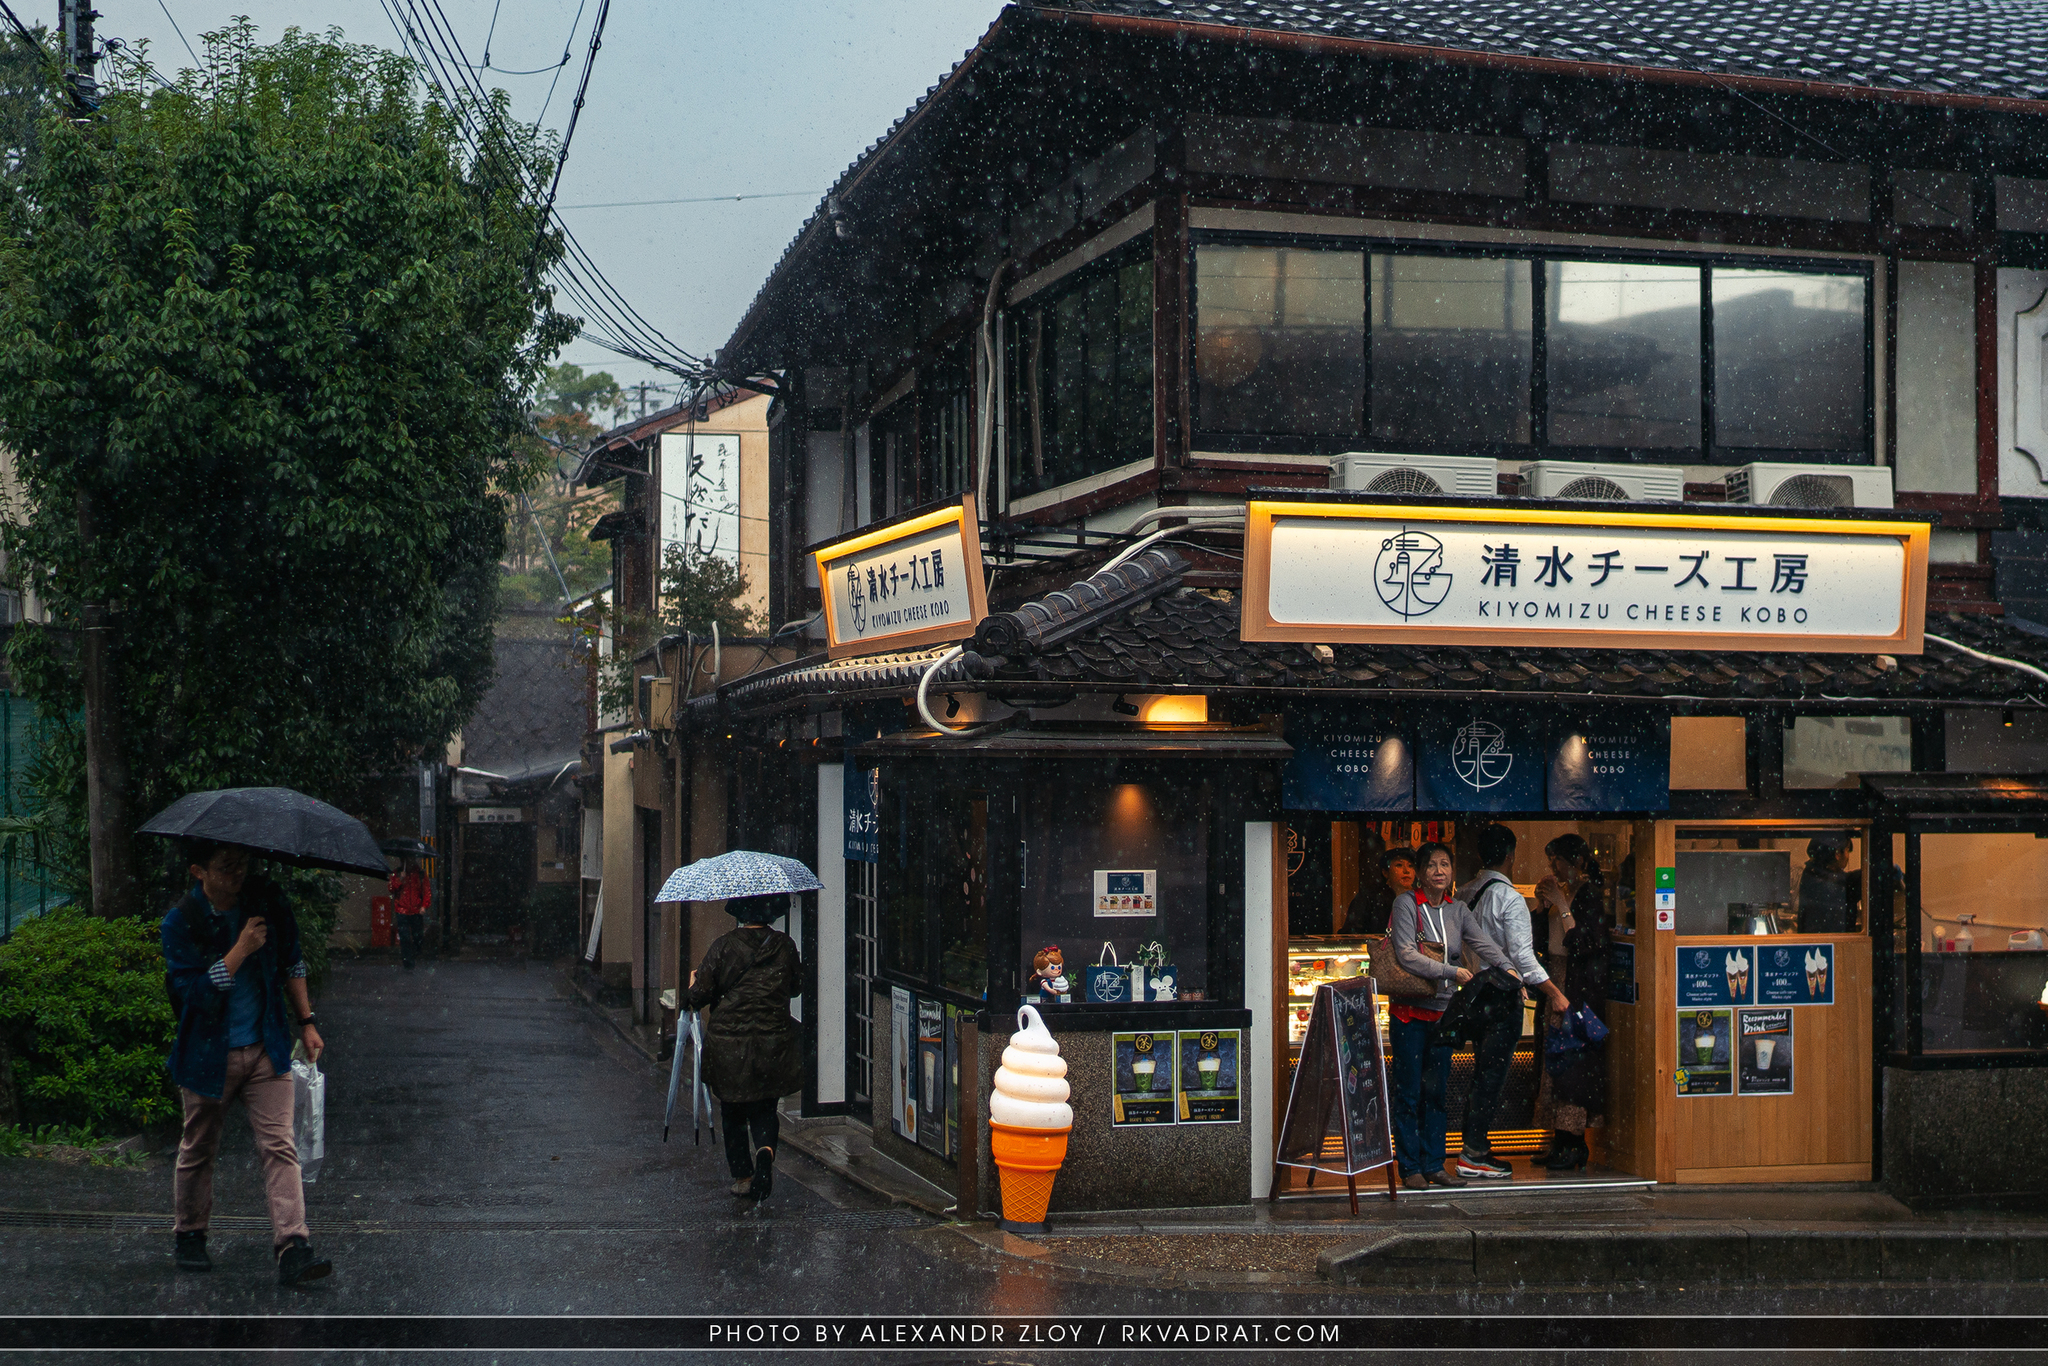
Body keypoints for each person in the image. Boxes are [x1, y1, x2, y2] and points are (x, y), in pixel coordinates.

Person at [159, 841, 333, 1285]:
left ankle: (293, 1245)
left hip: (264, 1046)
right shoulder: (182, 922)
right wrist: (239, 950)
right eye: (226, 866)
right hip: (206, 1053)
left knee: (280, 1145)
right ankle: (191, 1233)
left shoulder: (266, 901)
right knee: (198, 1147)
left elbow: (292, 961)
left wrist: (306, 1021)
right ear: (200, 871)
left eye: (243, 864)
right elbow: (191, 995)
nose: (238, 873)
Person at [1388, 841, 1512, 1190]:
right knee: (1410, 1094)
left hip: (1443, 1016)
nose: (1439, 871)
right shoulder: (1406, 904)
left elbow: (1483, 943)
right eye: (1432, 866)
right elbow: (1406, 955)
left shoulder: (1458, 910)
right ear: (1421, 873)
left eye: (1445, 865)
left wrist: (1510, 969)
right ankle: (1410, 1167)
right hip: (1409, 1015)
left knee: (1437, 1094)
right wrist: (1451, 972)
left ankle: (1434, 1165)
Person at [1455, 825, 1571, 1180]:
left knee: (1480, 1073)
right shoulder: (1508, 898)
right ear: (1511, 856)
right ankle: (1475, 1153)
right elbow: (1522, 956)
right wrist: (1555, 993)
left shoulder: (1465, 891)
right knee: (1491, 1076)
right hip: (1501, 994)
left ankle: (1471, 1149)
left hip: (1472, 992)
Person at [685, 897, 804, 1202]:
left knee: (733, 1109)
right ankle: (765, 1152)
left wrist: (693, 984)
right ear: (771, 913)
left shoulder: (723, 946)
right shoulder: (785, 946)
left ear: (738, 913)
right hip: (772, 1037)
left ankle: (743, 1176)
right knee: (765, 1106)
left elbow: (698, 997)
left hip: (729, 1041)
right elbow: (795, 987)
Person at [1535, 833, 1612, 1171]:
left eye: (1560, 862)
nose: (1555, 868)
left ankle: (1574, 1144)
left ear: (1578, 862)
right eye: (1551, 862)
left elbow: (1585, 944)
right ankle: (1558, 1141)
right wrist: (1542, 907)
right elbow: (1539, 942)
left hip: (1577, 989)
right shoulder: (1560, 896)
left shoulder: (1589, 896)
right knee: (1553, 1064)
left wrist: (1564, 907)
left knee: (1574, 1067)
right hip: (1555, 980)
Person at [1797, 834, 1861, 934]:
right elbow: (1852, 881)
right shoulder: (1836, 883)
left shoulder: (1810, 873)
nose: (1848, 857)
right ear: (1838, 854)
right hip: (1832, 945)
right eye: (1847, 850)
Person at [1348, 847, 1415, 937]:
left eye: (1410, 866)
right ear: (1385, 872)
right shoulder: (1370, 897)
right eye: (1399, 865)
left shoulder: (1421, 897)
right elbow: (1352, 933)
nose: (1406, 871)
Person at [388, 855, 431, 970]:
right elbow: (391, 888)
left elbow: (426, 891)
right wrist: (400, 879)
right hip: (402, 910)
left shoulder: (420, 874)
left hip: (416, 910)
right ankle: (408, 962)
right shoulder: (397, 873)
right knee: (405, 937)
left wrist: (424, 906)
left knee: (418, 936)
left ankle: (415, 952)